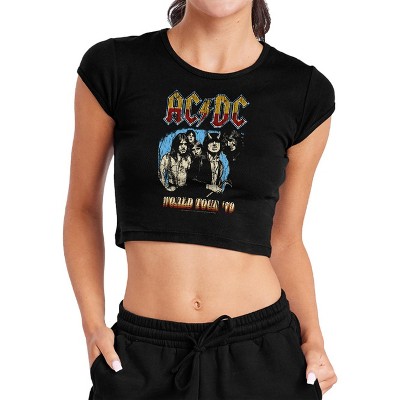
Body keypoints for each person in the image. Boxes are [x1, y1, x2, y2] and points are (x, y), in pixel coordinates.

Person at [64, 1, 338, 399]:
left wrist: (313, 338)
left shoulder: (304, 92)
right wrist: (93, 327)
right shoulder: (114, 67)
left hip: (263, 355)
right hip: (141, 357)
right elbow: (82, 209)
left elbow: (285, 239)